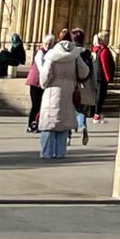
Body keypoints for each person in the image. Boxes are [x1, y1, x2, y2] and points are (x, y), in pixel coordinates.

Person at [36, 29, 83, 160]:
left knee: (49, 125)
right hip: (69, 91)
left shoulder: (52, 55)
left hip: (53, 90)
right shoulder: (75, 55)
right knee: (63, 124)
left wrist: (44, 84)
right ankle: (60, 152)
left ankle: (47, 153)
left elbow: (45, 77)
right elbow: (84, 71)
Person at [70, 27, 99, 146]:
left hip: (71, 84)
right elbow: (92, 71)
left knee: (69, 109)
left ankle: (68, 134)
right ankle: (82, 125)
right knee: (80, 109)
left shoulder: (70, 52)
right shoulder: (87, 53)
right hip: (84, 85)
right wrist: (94, 86)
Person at [25, 34, 51, 133]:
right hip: (36, 81)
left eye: (49, 44)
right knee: (35, 104)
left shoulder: (49, 53)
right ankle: (31, 124)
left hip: (42, 82)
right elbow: (40, 66)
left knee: (40, 105)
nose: (47, 46)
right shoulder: (40, 53)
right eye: (46, 44)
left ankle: (37, 123)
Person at [90, 33, 115, 122]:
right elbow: (105, 65)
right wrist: (108, 77)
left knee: (99, 95)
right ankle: (96, 115)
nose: (108, 40)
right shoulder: (104, 51)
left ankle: (97, 113)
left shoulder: (97, 50)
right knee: (101, 96)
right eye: (107, 38)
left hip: (97, 76)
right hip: (101, 77)